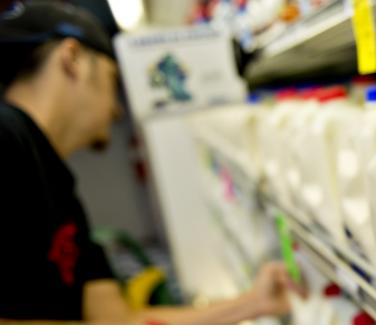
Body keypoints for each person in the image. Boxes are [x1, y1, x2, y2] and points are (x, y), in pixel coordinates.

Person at [0, 2, 303, 324]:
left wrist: (254, 303)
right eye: (111, 79)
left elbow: (116, 321)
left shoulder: (61, 187)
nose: (117, 110)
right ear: (72, 60)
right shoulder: (7, 134)